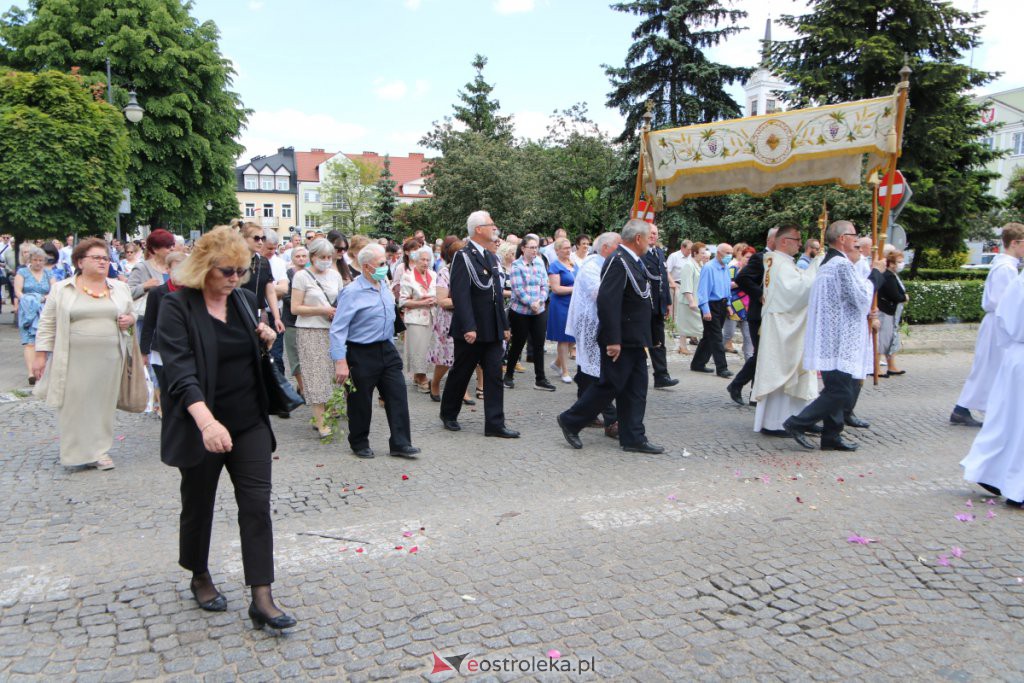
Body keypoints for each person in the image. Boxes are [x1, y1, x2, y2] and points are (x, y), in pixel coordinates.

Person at [156, 226, 294, 630]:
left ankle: (262, 597)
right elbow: (180, 373)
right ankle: (199, 573)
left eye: (241, 270)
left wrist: (264, 339)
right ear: (203, 269)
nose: (235, 278)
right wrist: (206, 422)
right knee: (198, 505)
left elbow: (244, 356)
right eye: (226, 271)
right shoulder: (176, 306)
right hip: (202, 422)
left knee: (256, 507)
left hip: (248, 420)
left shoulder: (245, 300)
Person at [557, 219, 662, 453]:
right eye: (648, 237)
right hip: (621, 339)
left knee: (636, 388)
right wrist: (614, 339)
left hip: (634, 338)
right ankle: (571, 420)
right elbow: (608, 301)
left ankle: (633, 436)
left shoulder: (633, 260)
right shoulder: (618, 261)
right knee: (609, 386)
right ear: (638, 239)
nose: (650, 242)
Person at [33, 238, 135, 470]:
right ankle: (75, 453)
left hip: (109, 357)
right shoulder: (62, 288)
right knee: (74, 404)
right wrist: (41, 355)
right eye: (97, 258)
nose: (103, 262)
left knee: (102, 405)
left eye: (106, 258)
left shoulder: (119, 287)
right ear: (80, 261)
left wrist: (129, 320)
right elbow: (47, 323)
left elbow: (131, 314)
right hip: (73, 357)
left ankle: (100, 451)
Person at [782, 221, 884, 451]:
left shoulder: (830, 263)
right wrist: (877, 273)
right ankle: (797, 422)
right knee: (841, 392)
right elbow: (860, 298)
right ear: (842, 238)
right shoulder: (840, 265)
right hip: (838, 339)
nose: (857, 239)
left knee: (836, 389)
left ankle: (831, 436)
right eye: (854, 235)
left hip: (833, 336)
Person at [331, 244, 420, 459]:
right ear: (366, 267)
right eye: (380, 264)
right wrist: (340, 360)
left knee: (397, 394)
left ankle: (401, 442)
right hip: (361, 351)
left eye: (385, 263)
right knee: (360, 400)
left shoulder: (383, 284)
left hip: (386, 348)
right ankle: (359, 442)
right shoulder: (352, 292)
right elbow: (338, 329)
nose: (385, 267)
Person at [439, 211, 517, 438]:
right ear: (478, 229)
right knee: (461, 373)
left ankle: (495, 424)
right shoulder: (463, 256)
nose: (495, 228)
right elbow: (461, 296)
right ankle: (449, 413)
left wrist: (504, 325)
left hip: (491, 328)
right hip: (471, 330)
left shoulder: (492, 257)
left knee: (494, 375)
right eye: (491, 225)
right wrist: (468, 327)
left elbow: (496, 296)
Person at [959, 267, 1024, 508]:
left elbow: (1003, 321)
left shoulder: (1019, 280)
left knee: (1008, 422)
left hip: (1015, 355)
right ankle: (1015, 487)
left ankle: (990, 473)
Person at [950, 223, 1024, 426]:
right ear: (1015, 243)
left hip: (998, 323)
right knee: (988, 368)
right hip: (999, 324)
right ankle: (963, 408)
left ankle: (980, 408)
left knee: (991, 369)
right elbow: (1004, 302)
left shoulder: (1006, 266)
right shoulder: (1006, 269)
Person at [749, 226, 822, 432]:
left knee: (794, 374)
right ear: (783, 241)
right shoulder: (779, 264)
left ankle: (800, 417)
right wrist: (817, 264)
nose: (800, 244)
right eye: (797, 239)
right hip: (783, 327)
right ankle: (776, 423)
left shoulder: (781, 262)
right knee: (781, 372)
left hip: (784, 323)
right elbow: (798, 291)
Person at [565, 231, 622, 438]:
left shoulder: (607, 263)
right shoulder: (592, 266)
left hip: (600, 322)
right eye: (618, 244)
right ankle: (611, 418)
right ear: (605, 248)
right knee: (597, 372)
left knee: (588, 372)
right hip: (589, 324)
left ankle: (586, 412)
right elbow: (600, 293)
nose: (621, 248)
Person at [291, 238, 344, 438]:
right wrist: (321, 309)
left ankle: (329, 413)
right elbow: (295, 308)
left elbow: (341, 300)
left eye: (329, 257)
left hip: (332, 330)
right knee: (315, 375)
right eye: (322, 257)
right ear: (312, 257)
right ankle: (320, 422)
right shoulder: (301, 276)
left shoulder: (335, 275)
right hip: (310, 330)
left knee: (331, 374)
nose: (326, 260)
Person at [726, 228, 778, 401]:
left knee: (763, 355)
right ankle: (738, 385)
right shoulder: (760, 257)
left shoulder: (781, 259)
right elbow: (742, 278)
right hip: (758, 313)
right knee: (761, 354)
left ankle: (753, 393)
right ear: (772, 240)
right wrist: (760, 294)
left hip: (773, 313)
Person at [139, 251, 189, 415]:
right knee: (165, 386)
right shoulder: (157, 293)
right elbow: (149, 322)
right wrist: (144, 351)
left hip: (186, 347)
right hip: (160, 348)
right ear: (167, 270)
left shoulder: (193, 292)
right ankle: (168, 414)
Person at [503, 235, 554, 391]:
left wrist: (540, 301)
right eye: (531, 247)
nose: (534, 250)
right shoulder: (516, 266)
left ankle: (540, 379)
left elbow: (545, 285)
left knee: (539, 344)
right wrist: (530, 303)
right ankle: (509, 375)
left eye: (536, 247)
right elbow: (517, 290)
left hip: (539, 310)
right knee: (518, 343)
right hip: (520, 312)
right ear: (523, 248)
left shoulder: (539, 263)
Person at [428, 237, 475, 405]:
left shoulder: (471, 272)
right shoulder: (444, 272)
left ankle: (462, 389)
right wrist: (466, 301)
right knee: (446, 359)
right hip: (448, 320)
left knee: (462, 358)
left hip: (466, 319)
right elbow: (442, 300)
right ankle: (435, 383)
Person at [642, 225, 679, 388]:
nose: (653, 236)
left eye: (655, 233)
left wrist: (668, 303)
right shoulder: (640, 254)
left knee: (659, 342)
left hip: (658, 305)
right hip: (644, 305)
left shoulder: (659, 253)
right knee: (641, 342)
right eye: (650, 233)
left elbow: (663, 279)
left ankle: (661, 375)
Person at [691, 243, 734, 378]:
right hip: (711, 305)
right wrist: (705, 309)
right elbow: (702, 290)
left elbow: (727, 288)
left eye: (731, 253)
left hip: (721, 305)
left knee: (709, 336)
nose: (729, 256)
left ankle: (698, 363)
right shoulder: (709, 268)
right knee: (716, 337)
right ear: (719, 253)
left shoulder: (726, 267)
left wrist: (728, 304)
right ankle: (722, 368)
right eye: (727, 253)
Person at [14, 246, 55, 385]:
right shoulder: (22, 272)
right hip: (28, 310)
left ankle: (44, 371)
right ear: (30, 260)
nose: (38, 263)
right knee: (30, 342)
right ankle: (31, 372)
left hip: (44, 309)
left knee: (45, 340)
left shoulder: (49, 273)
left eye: (41, 260)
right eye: (35, 260)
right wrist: (29, 300)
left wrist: (44, 298)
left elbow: (54, 290)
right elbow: (18, 291)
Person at [399, 247, 437, 393]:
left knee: (427, 348)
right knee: (418, 349)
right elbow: (402, 301)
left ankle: (418, 376)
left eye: (428, 259)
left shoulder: (433, 275)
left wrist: (435, 300)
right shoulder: (407, 276)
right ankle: (421, 378)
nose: (426, 262)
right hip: (415, 318)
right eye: (423, 259)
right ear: (415, 260)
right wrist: (422, 303)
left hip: (431, 316)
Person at [238, 224, 285, 335]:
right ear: (243, 239)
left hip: (258, 313)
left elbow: (270, 292)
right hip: (237, 312)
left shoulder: (263, 261)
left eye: (262, 238)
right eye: (256, 238)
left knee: (260, 349)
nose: (260, 242)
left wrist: (277, 318)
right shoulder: (233, 261)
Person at [546, 237, 577, 384]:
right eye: (565, 248)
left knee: (573, 337)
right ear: (557, 250)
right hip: (561, 305)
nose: (568, 250)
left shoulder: (573, 264)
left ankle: (557, 363)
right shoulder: (554, 266)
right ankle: (564, 371)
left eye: (569, 247)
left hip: (573, 304)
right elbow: (556, 288)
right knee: (564, 339)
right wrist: (575, 289)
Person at [282, 246, 308, 397]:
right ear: (292, 258)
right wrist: (301, 305)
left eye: (304, 256)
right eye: (298, 256)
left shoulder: (312, 274)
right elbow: (286, 296)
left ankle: (306, 386)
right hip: (292, 321)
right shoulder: (288, 274)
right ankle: (303, 388)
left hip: (310, 319)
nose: (301, 259)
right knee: (295, 356)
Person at [877, 250, 909, 377]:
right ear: (891, 264)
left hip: (890, 311)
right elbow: (894, 294)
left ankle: (891, 366)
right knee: (882, 340)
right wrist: (904, 298)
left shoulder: (892, 275)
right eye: (899, 262)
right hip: (885, 311)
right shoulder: (888, 276)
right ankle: (877, 368)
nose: (901, 264)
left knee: (889, 339)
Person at [672, 241, 702, 354]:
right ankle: (682, 346)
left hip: (695, 296)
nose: (704, 255)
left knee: (688, 323)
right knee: (684, 323)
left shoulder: (699, 264)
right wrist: (690, 300)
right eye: (702, 253)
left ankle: (686, 344)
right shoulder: (687, 264)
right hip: (686, 296)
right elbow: (686, 284)